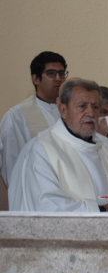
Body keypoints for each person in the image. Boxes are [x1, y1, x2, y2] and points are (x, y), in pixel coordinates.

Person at [9, 79, 108, 212]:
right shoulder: (42, 149)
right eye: (82, 106)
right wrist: (101, 210)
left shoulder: (107, 150)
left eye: (95, 107)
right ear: (63, 110)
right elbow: (47, 205)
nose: (91, 113)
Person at [0, 52, 67, 187]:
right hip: (34, 191)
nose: (58, 78)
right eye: (51, 73)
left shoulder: (72, 111)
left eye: (61, 73)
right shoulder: (17, 115)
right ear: (36, 79)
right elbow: (12, 164)